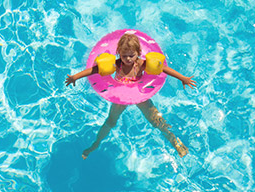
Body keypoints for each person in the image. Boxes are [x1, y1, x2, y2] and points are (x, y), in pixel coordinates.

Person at [65, 33, 196, 159]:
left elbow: (163, 69)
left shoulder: (141, 64)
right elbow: (94, 70)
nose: (128, 59)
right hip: (120, 97)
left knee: (156, 120)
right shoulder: (117, 64)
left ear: (138, 53)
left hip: (140, 95)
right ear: (119, 54)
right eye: (124, 56)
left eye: (131, 56)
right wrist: (75, 77)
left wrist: (183, 78)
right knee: (110, 121)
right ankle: (95, 144)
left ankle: (175, 143)